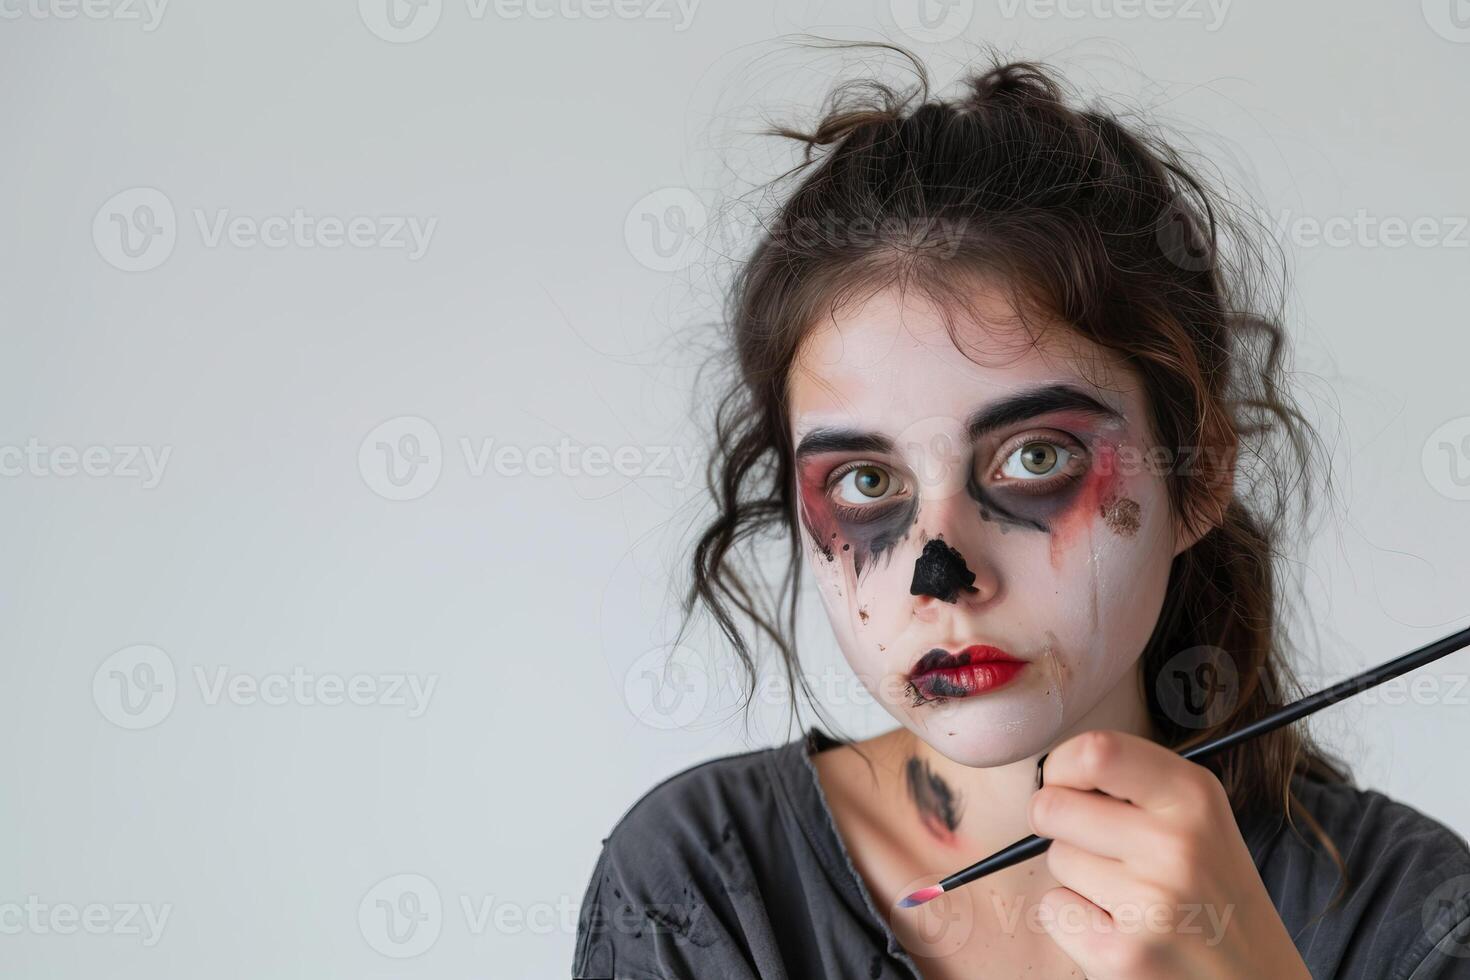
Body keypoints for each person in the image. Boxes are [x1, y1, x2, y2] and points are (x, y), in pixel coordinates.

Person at [573, 49, 1470, 979]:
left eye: (1035, 458)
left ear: (1197, 479)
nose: (944, 579)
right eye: (866, 483)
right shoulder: (702, 890)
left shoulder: (1409, 916)